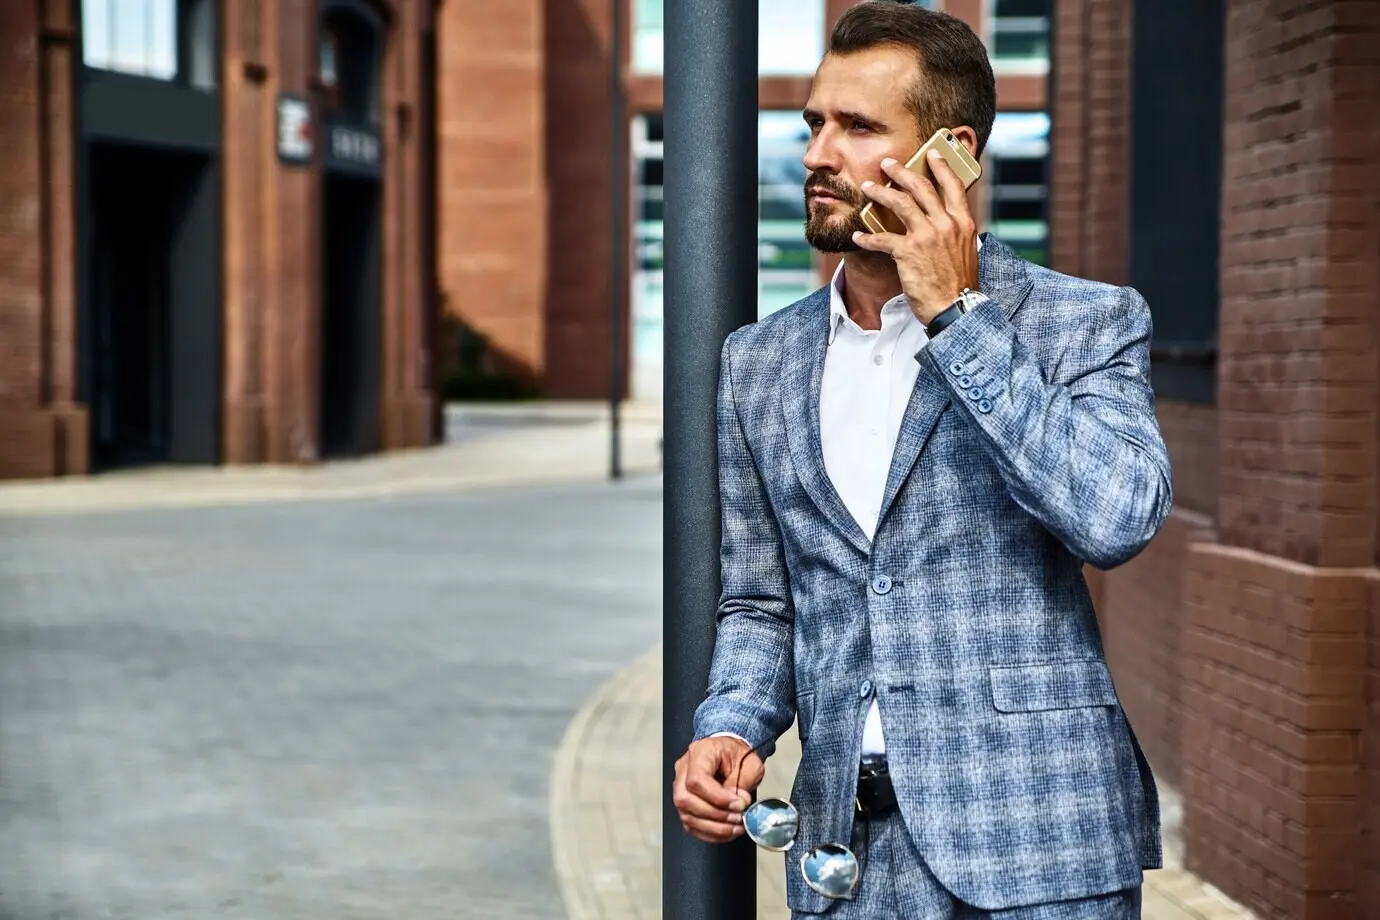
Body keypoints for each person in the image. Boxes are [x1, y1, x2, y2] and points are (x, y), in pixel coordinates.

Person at [670, 2, 1171, 918]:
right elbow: (761, 600)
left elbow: (1118, 516)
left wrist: (958, 317)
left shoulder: (1080, 323)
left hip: (1041, 847)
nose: (819, 153)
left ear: (952, 153)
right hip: (848, 859)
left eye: (858, 128)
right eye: (814, 123)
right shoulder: (759, 364)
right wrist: (731, 726)